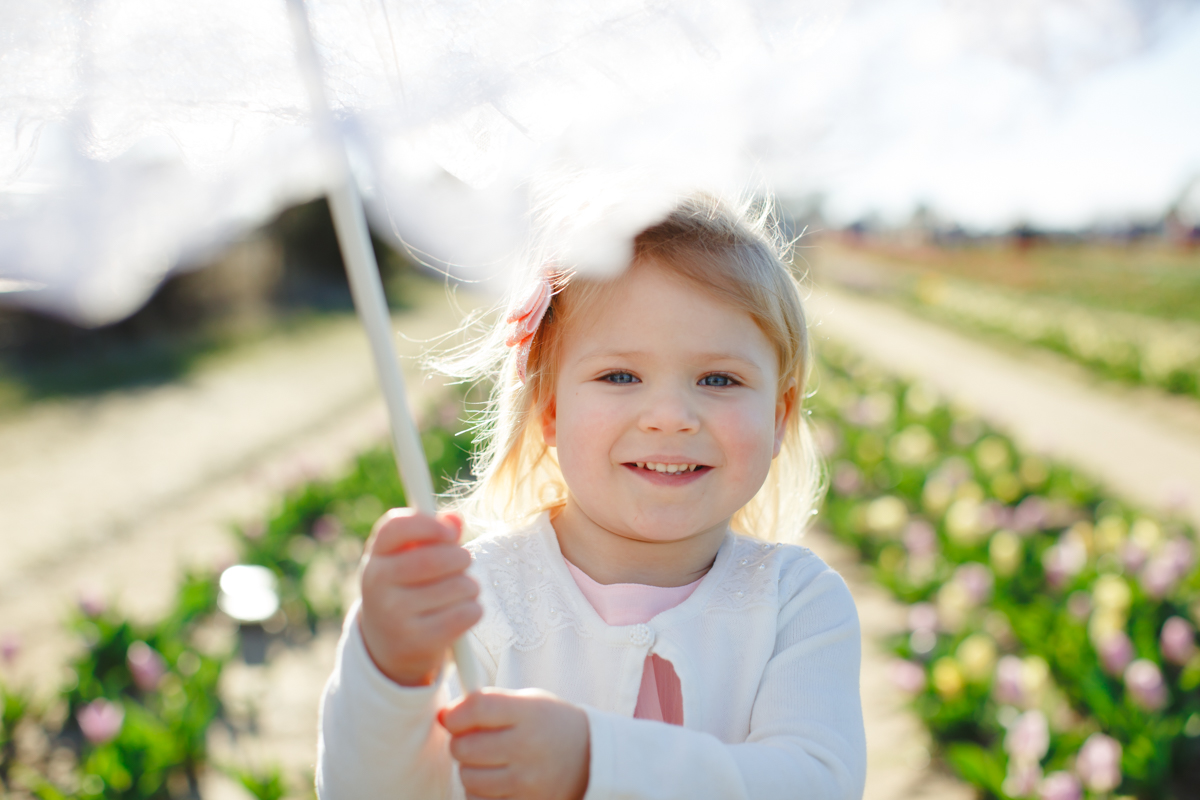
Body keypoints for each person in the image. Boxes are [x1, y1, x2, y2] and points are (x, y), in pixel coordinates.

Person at [316, 194, 866, 800]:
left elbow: (816, 782)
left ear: (780, 417)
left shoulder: (796, 603)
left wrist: (596, 761)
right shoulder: (481, 597)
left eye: (719, 379)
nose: (670, 417)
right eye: (620, 376)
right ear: (550, 410)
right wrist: (389, 669)